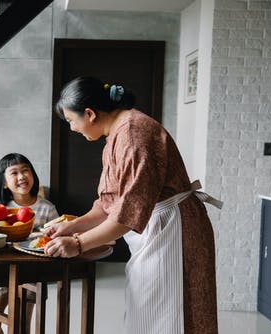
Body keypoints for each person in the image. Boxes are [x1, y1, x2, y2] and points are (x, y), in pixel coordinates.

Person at [44, 76, 222, 334]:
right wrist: (73, 226)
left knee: (174, 315)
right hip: (159, 228)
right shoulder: (117, 133)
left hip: (175, 231)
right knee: (149, 314)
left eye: (71, 121)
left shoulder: (133, 134)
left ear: (90, 114)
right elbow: (108, 203)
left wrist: (79, 243)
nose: (72, 128)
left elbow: (127, 214)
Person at [0, 152, 59, 334]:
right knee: (3, 296)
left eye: (26, 170)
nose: (22, 176)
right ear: (4, 183)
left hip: (34, 270)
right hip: (2, 269)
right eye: (14, 173)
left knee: (24, 319)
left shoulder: (47, 208)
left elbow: (56, 235)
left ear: (33, 175)